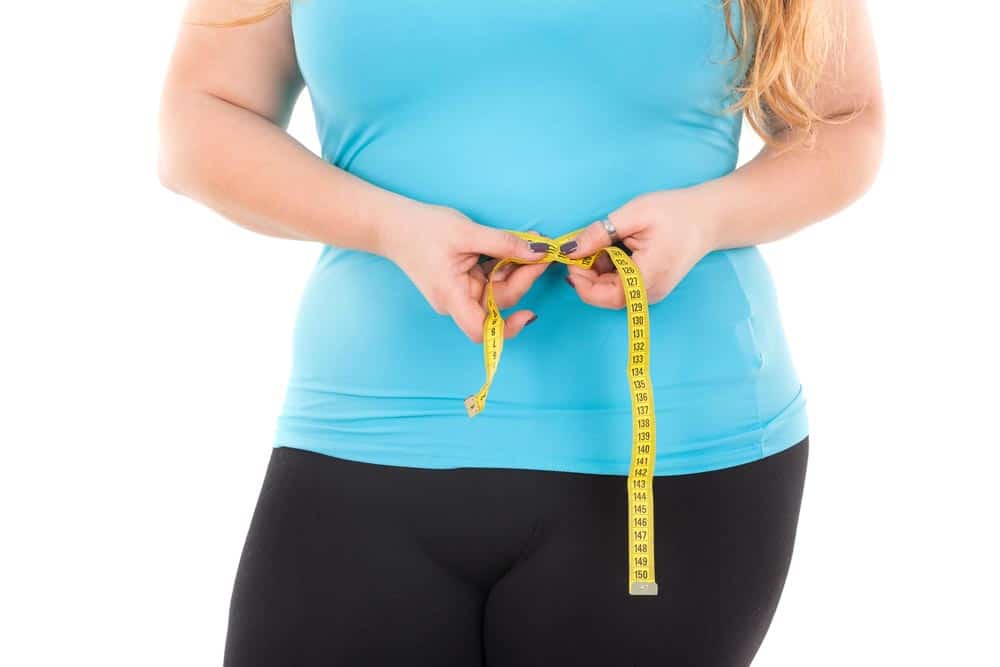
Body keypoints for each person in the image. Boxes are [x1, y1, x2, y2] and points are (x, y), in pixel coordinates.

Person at [157, 0, 884, 664]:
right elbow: (199, 119)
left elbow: (847, 120)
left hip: (676, 450)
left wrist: (709, 217)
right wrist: (386, 226)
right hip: (359, 427)